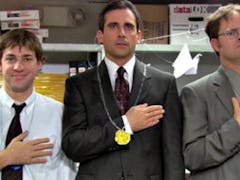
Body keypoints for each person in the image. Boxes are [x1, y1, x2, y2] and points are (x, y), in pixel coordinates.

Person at [62, 0, 185, 179]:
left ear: (138, 36)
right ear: (100, 35)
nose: (121, 33)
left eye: (128, 27)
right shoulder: (79, 85)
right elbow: (73, 145)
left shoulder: (164, 84)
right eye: (113, 26)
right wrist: (126, 124)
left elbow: (173, 154)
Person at [0, 29, 76, 180]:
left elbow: (68, 172)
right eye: (10, 59)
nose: (18, 67)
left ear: (40, 64)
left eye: (27, 59)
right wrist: (6, 158)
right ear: (0, 64)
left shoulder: (60, 113)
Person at [181, 4, 240, 180]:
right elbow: (192, 157)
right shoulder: (196, 93)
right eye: (231, 33)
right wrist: (236, 127)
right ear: (215, 44)